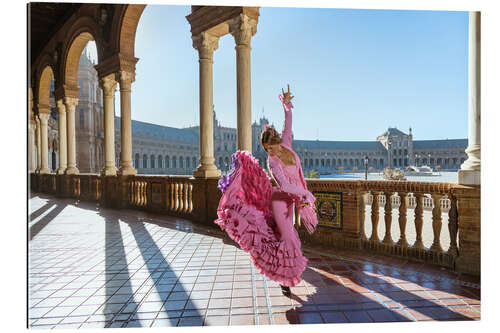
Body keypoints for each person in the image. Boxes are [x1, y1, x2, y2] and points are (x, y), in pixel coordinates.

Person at [215, 85, 317, 297]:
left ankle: (284, 279)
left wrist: (286, 106)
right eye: (267, 150)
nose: (270, 152)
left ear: (279, 142)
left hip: (292, 203)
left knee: (284, 237)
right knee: (289, 239)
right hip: (280, 202)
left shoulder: (287, 145)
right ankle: (285, 276)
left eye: (272, 148)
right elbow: (284, 186)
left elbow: (288, 124)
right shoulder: (272, 162)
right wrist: (305, 193)